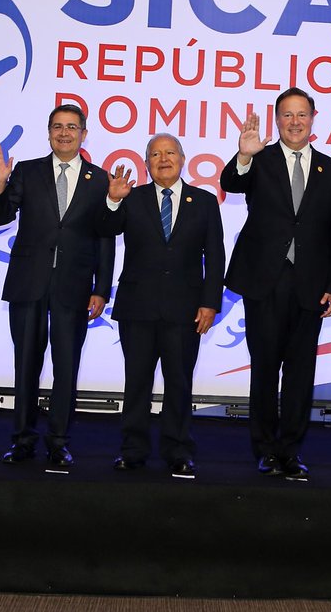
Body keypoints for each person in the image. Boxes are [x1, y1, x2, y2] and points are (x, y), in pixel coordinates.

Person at [220, 87, 331, 480]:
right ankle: (265, 450)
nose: (295, 122)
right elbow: (231, 182)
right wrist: (244, 155)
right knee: (264, 370)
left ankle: (291, 451)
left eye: (301, 114)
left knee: (300, 373)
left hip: (311, 285)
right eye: (287, 115)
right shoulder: (259, 159)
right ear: (277, 120)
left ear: (313, 119)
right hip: (265, 281)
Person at [0, 104, 114, 468]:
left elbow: (105, 238)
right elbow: (1, 216)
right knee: (25, 365)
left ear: (84, 134)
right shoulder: (27, 171)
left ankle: (58, 442)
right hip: (29, 282)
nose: (64, 133)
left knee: (66, 367)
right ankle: (22, 440)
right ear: (49, 132)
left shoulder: (100, 180)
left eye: (72, 127)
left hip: (75, 286)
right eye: (57, 126)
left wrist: (102, 288)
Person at [102, 134, 224, 479]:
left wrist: (210, 302)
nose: (163, 159)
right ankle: (132, 450)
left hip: (186, 309)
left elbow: (215, 255)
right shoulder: (131, 197)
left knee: (179, 383)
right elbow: (106, 229)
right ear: (146, 164)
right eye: (155, 154)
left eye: (170, 152)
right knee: (136, 383)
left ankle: (178, 450)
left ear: (183, 159)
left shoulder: (203, 201)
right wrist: (112, 201)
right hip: (137, 307)